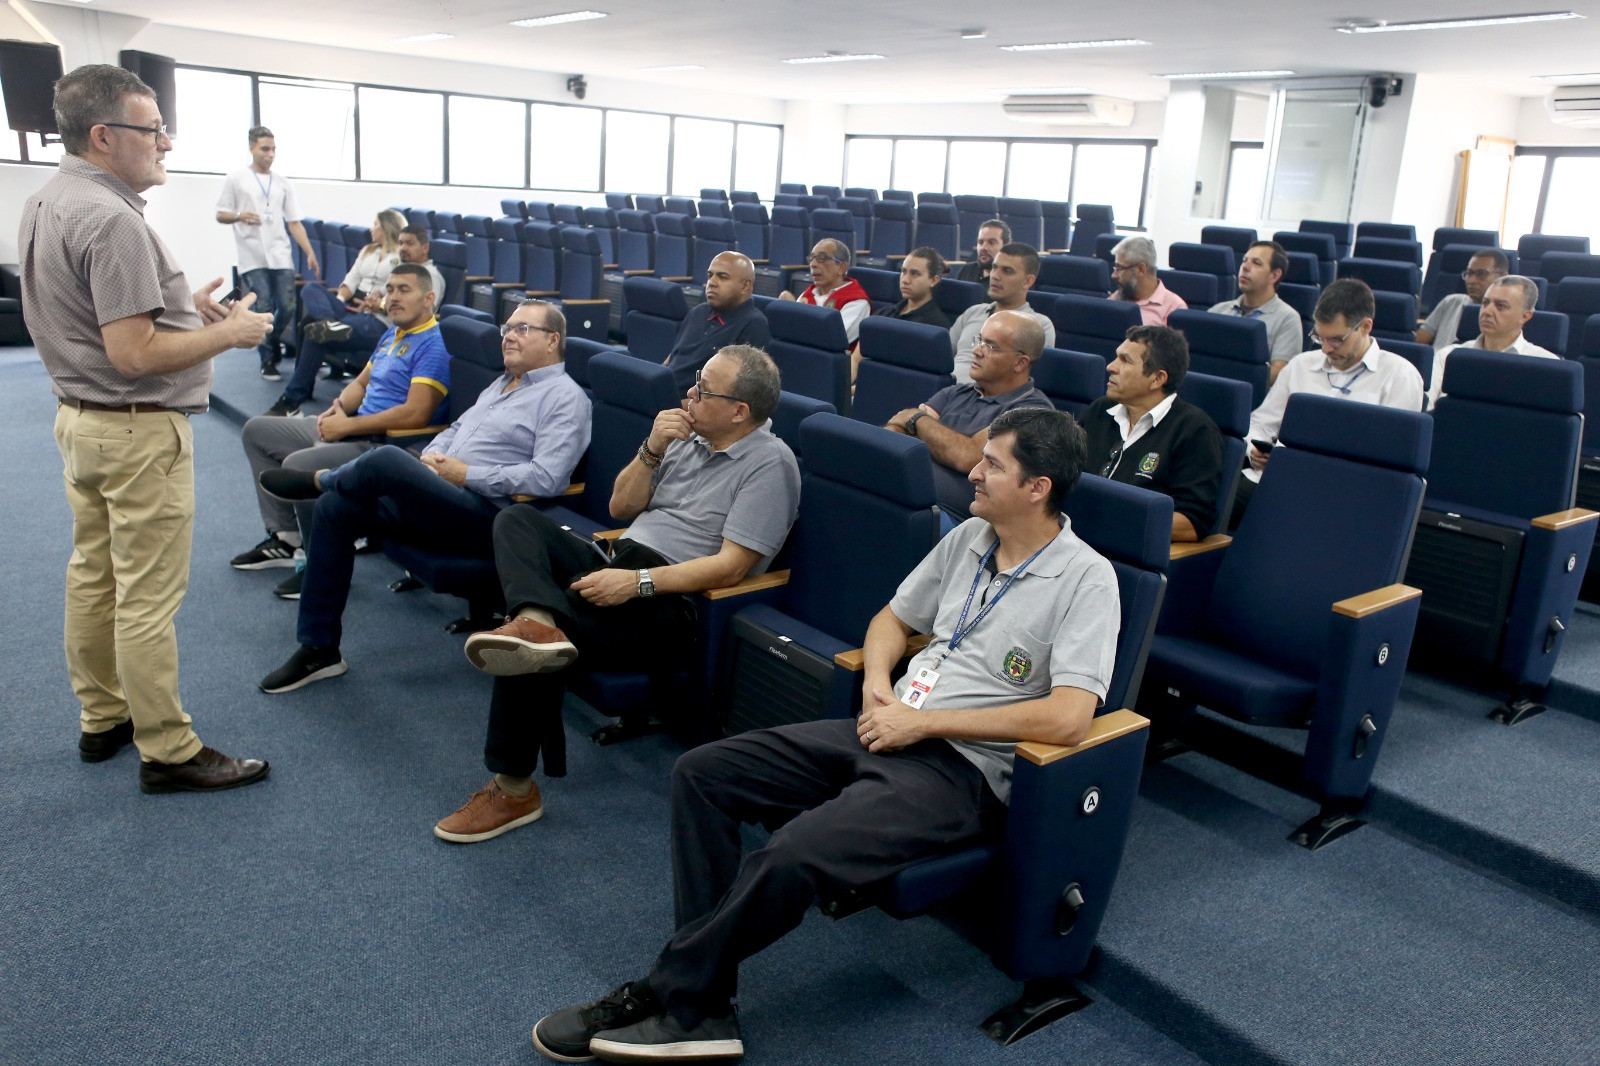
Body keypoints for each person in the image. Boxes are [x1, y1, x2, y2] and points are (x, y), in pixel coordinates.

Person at [527, 406, 1119, 1063]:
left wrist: (921, 721)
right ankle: (707, 1001)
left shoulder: (1088, 578)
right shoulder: (972, 538)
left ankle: (673, 994)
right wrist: (878, 689)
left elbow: (1069, 716)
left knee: (789, 854)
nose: (972, 471)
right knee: (704, 773)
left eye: (993, 466)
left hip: (960, 772)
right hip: (886, 725)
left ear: (1037, 488)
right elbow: (891, 619)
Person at [21, 63, 273, 792]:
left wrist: (183, 307)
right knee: (145, 598)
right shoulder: (113, 219)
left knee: (94, 579)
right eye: (151, 129)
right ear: (104, 136)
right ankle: (167, 748)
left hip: (83, 425)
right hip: (136, 434)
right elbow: (134, 355)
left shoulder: (51, 198)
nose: (166, 142)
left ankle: (103, 718)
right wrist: (231, 335)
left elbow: (96, 316)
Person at [438, 346, 801, 843]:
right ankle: (534, 617)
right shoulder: (686, 437)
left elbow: (732, 566)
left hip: (672, 600)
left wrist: (638, 583)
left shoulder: (771, 464)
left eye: (704, 390)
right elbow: (620, 506)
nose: (689, 395)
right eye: (696, 382)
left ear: (740, 411)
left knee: (538, 646)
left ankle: (513, 787)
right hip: (620, 559)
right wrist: (651, 449)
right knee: (518, 519)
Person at [255, 300, 591, 693]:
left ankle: (322, 479)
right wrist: (432, 459)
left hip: (488, 517)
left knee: (386, 459)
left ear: (553, 340)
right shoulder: (501, 384)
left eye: (522, 329)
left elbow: (548, 477)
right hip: (442, 498)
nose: (509, 337)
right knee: (336, 508)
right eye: (507, 329)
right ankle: (318, 650)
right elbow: (454, 432)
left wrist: (466, 474)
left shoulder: (565, 398)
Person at [231, 264, 450, 596]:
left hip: (381, 444)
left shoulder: (433, 345)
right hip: (353, 426)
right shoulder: (393, 333)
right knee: (257, 431)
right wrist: (338, 409)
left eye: (404, 290)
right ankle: (287, 539)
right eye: (390, 289)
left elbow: (415, 413)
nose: (393, 297)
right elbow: (362, 381)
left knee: (299, 466)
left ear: (428, 298)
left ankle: (319, 565)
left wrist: (349, 424)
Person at [1236, 278, 1425, 523]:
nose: (1325, 348)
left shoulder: (1399, 376)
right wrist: (1254, 448)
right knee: (1216, 498)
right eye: (1319, 337)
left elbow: (1391, 461)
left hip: (1346, 492)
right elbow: (1260, 422)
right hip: (1279, 480)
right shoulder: (1301, 365)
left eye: (1336, 340)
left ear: (1365, 327)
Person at [888, 309, 1052, 521]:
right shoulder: (956, 392)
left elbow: (968, 457)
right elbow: (894, 432)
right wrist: (923, 427)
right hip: (905, 496)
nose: (976, 350)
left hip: (953, 519)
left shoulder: (1032, 412)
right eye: (979, 340)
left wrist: (916, 419)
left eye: (990, 346)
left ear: (1020, 363)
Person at [1078, 325, 1224, 541]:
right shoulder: (1101, 411)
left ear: (1157, 378)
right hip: (1074, 536)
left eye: (1125, 361)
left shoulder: (1195, 430)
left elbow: (1193, 522)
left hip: (1126, 549)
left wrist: (1113, 520)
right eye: (1116, 358)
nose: (1111, 366)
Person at [215, 124, 319, 382]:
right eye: (264, 149)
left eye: (273, 149)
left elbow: (294, 222)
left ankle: (270, 341)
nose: (270, 154)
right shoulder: (236, 179)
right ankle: (268, 359)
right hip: (251, 254)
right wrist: (240, 215)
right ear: (252, 148)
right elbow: (221, 213)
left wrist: (309, 251)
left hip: (280, 252)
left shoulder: (283, 184)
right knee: (262, 306)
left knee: (287, 306)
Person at [1429, 275, 1558, 406]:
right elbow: (1428, 408)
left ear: (1525, 316)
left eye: (1500, 306)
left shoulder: (1547, 365)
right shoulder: (1448, 356)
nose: (1487, 311)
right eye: (1485, 303)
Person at [948, 242, 1057, 383]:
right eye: (994, 268)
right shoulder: (974, 312)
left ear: (1027, 281)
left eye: (1007, 271)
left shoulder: (1038, 326)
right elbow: (941, 356)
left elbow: (1025, 380)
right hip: (944, 391)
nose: (995, 276)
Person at [663, 251, 770, 393]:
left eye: (722, 277)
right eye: (710, 276)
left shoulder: (753, 325)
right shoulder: (698, 312)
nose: (711, 283)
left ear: (745, 286)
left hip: (690, 406)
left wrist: (667, 404)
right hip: (664, 395)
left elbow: (730, 395)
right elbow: (671, 360)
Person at [1208, 240, 1302, 383]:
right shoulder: (1218, 311)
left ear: (1274, 275)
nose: (1245, 267)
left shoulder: (1288, 318)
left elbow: (1278, 374)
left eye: (1256, 263)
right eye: (1244, 261)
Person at [778, 238, 870, 347]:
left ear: (842, 267)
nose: (813, 264)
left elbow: (833, 340)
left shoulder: (856, 301)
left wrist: (792, 311)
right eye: (812, 258)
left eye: (822, 258)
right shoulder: (808, 294)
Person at [1416, 249, 1508, 352]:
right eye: (1469, 273)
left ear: (1502, 277)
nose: (1471, 280)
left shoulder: (1506, 315)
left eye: (1481, 274)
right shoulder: (1451, 301)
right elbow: (1419, 341)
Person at [1109, 236, 1186, 326]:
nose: (1113, 275)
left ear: (1141, 269)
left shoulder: (1174, 308)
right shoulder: (1116, 297)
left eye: (1119, 268)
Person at [876, 246, 950, 328]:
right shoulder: (884, 313)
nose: (905, 280)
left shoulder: (935, 326)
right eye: (903, 272)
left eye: (914, 274)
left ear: (933, 280)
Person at [397, 223, 448, 304]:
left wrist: (381, 306)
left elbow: (423, 309)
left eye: (409, 243)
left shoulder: (430, 276)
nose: (403, 248)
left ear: (425, 248)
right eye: (400, 243)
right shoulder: (402, 270)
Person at [957, 219, 1010, 286]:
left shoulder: (1011, 279)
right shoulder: (967, 270)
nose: (983, 248)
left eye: (991, 243)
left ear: (1006, 246)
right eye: (980, 242)